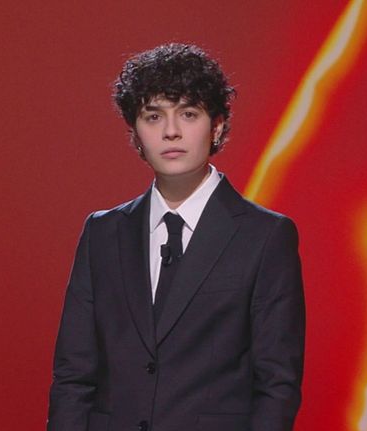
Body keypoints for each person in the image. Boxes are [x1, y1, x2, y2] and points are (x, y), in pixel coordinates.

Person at [47, 43, 305, 431]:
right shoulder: (103, 232)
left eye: (188, 113)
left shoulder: (265, 236)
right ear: (136, 133)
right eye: (153, 116)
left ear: (216, 126)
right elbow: (73, 375)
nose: (171, 131)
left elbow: (277, 385)